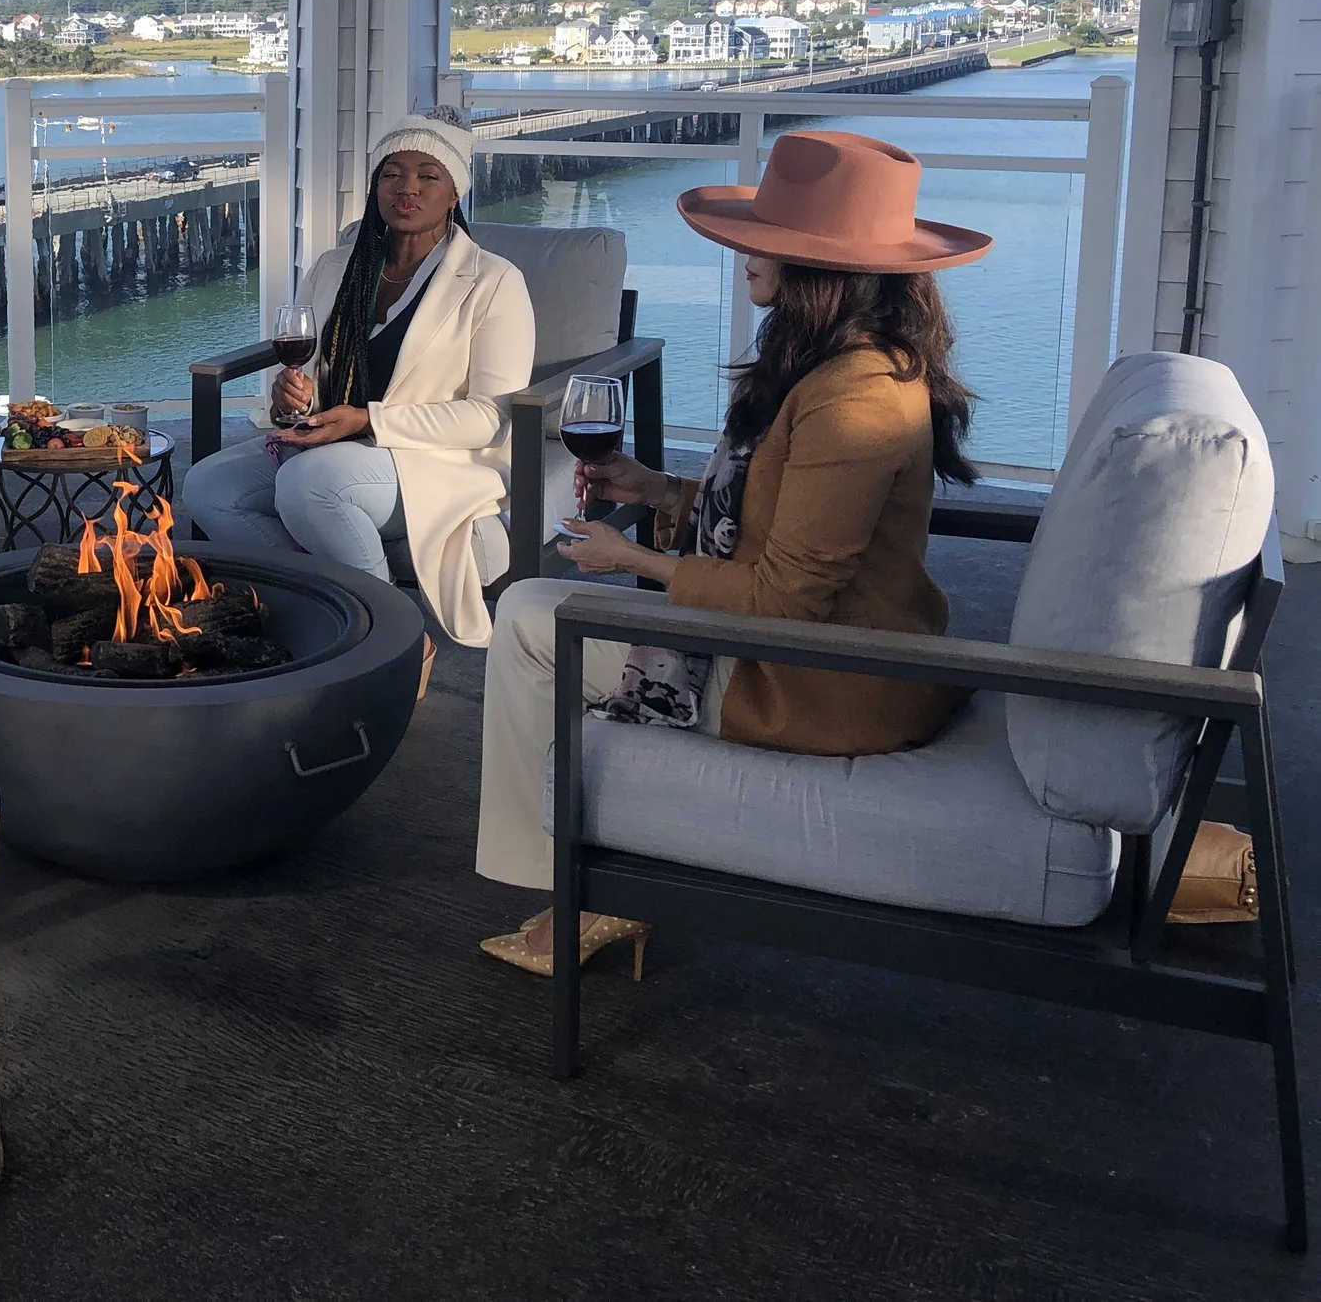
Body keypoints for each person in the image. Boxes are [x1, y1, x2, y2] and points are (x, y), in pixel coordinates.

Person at [475, 129, 989, 978]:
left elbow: (787, 602)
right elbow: (771, 523)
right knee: (534, 608)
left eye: (766, 237)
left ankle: (578, 888)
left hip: (820, 682)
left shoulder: (855, 400)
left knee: (530, 621)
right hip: (810, 651)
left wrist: (633, 560)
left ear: (819, 264)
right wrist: (655, 491)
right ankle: (592, 869)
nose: (745, 251)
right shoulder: (835, 363)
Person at [183, 110, 535, 651]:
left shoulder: (493, 282)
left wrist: (369, 419)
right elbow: (305, 373)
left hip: (432, 459)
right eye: (392, 174)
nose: (407, 188)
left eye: (427, 176)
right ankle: (317, 606)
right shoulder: (336, 267)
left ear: (454, 194)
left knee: (308, 484)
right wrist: (292, 398)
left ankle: (391, 641)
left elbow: (489, 417)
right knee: (207, 486)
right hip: (332, 441)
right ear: (375, 188)